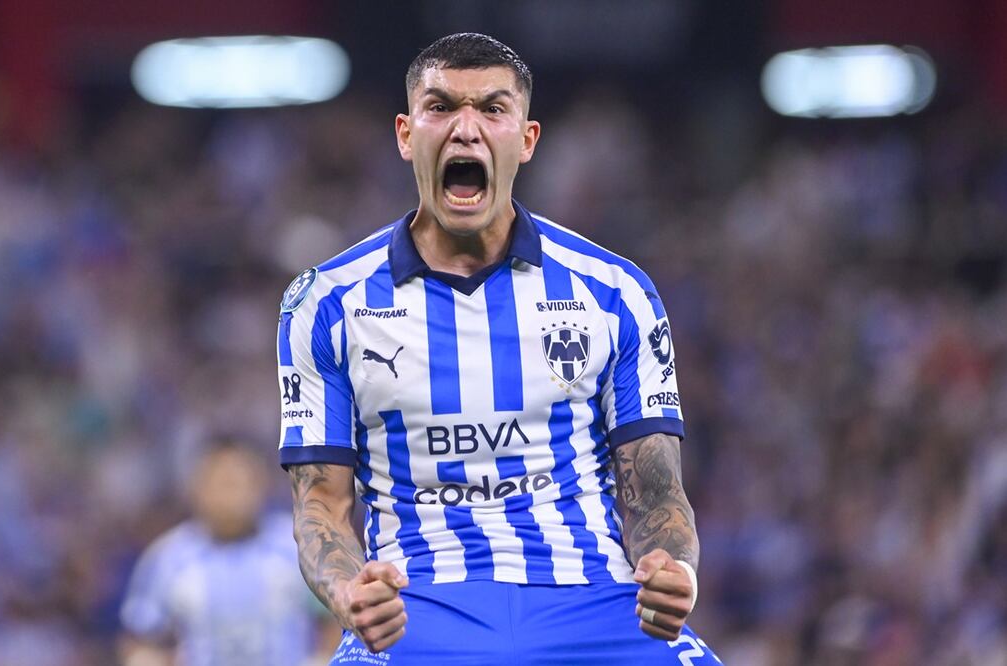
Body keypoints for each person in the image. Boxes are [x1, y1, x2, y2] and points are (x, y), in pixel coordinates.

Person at [278, 32, 721, 665]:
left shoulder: (616, 293)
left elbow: (655, 492)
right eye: (441, 107)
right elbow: (320, 500)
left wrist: (676, 569)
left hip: (594, 603)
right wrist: (350, 591)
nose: (465, 130)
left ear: (527, 139)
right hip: (417, 609)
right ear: (406, 135)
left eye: (492, 109)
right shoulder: (326, 303)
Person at [119, 436, 326, 666]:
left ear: (261, 483)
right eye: (222, 483)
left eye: (239, 482)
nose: (231, 497)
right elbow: (140, 637)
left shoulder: (297, 545)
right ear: (198, 489)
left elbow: (333, 622)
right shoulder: (168, 558)